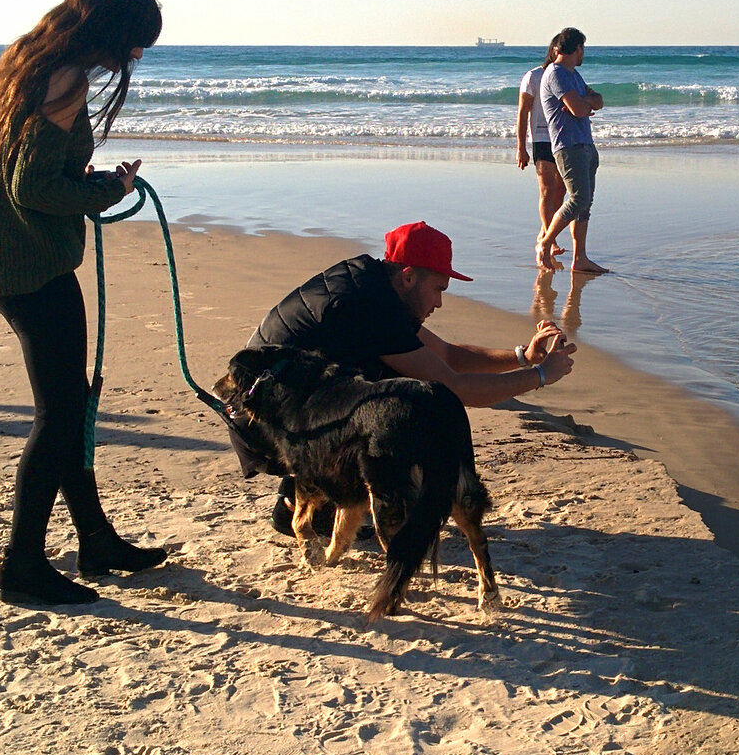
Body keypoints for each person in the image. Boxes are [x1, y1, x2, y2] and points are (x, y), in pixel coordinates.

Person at [0, 0, 166, 606]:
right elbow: (29, 188)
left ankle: (95, 539)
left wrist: (79, 178)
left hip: (13, 263)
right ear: (107, 27)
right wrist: (104, 193)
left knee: (71, 403)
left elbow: (25, 171)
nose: (133, 58)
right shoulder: (65, 77)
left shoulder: (26, 62)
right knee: (59, 417)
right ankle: (22, 566)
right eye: (133, 44)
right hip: (34, 269)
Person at [242, 221, 577, 534]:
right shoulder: (372, 307)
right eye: (438, 288)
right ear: (407, 277)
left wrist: (522, 357)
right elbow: (456, 389)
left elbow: (445, 354)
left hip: (275, 413)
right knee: (405, 400)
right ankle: (316, 506)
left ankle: (301, 504)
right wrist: (542, 375)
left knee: (390, 384)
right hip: (262, 427)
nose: (440, 302)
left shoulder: (374, 285)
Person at [538, 28, 608, 275]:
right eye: (583, 49)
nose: (583, 54)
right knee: (578, 199)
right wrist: (583, 104)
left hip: (585, 143)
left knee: (585, 204)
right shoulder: (556, 74)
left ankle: (580, 258)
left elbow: (597, 100)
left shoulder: (574, 75)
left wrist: (585, 102)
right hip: (568, 146)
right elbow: (579, 109)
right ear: (577, 48)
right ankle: (546, 242)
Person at [517, 36, 567, 270]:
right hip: (540, 137)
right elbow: (522, 112)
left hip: (563, 137)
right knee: (547, 189)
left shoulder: (565, 77)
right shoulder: (533, 76)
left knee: (562, 189)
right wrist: (521, 147)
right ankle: (550, 238)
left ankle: (543, 232)